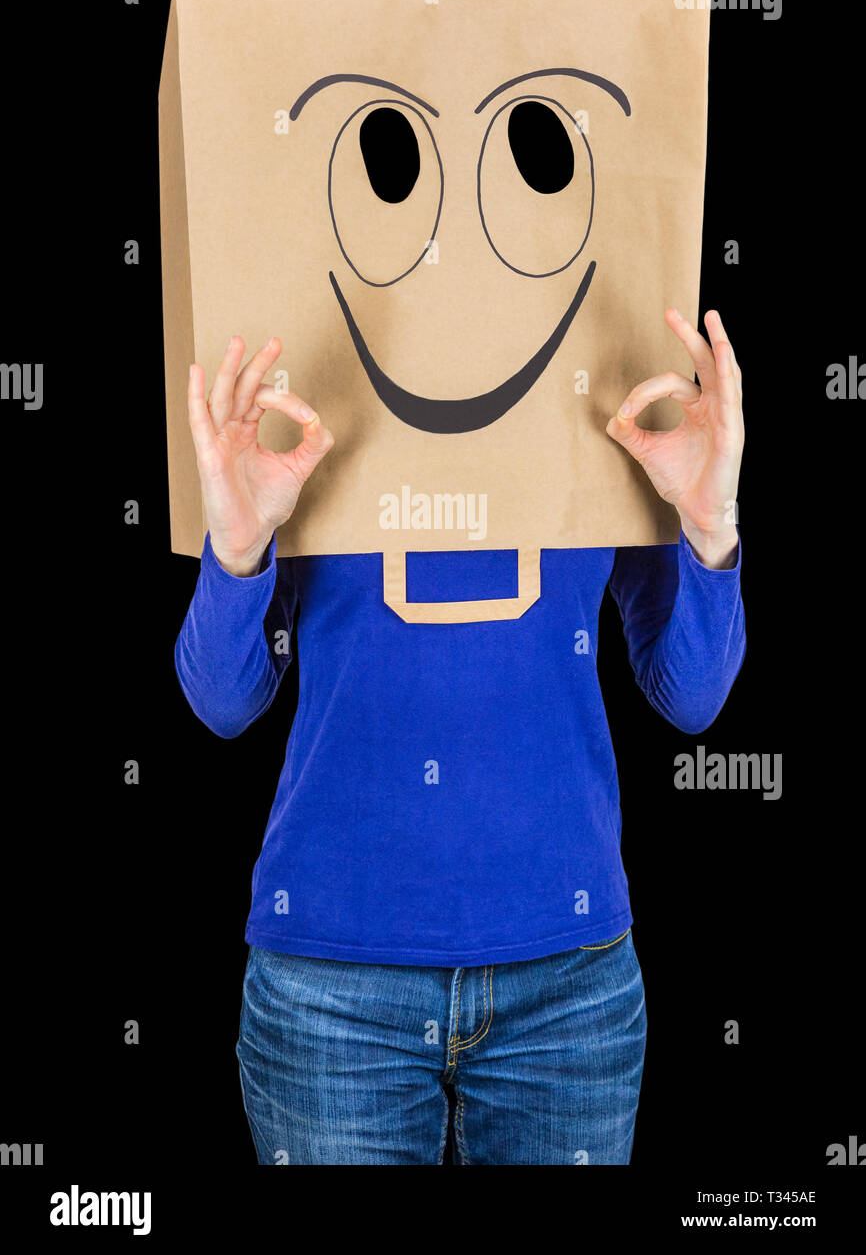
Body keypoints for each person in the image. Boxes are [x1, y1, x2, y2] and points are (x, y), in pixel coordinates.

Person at [175, 306, 745, 1165]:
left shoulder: (601, 395)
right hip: (330, 989)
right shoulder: (317, 389)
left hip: (569, 986)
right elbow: (223, 701)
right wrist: (238, 543)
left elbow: (690, 696)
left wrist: (709, 525)